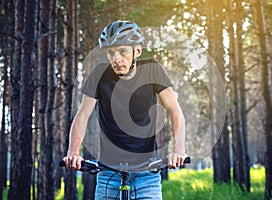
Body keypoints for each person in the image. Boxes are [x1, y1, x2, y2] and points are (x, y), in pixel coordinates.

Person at [63, 20, 187, 199]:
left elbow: (175, 111)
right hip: (108, 175)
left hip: (147, 176)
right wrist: (73, 153)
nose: (116, 59)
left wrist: (178, 149)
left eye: (122, 51)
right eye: (111, 53)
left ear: (137, 51)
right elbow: (82, 116)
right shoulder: (99, 74)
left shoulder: (152, 70)